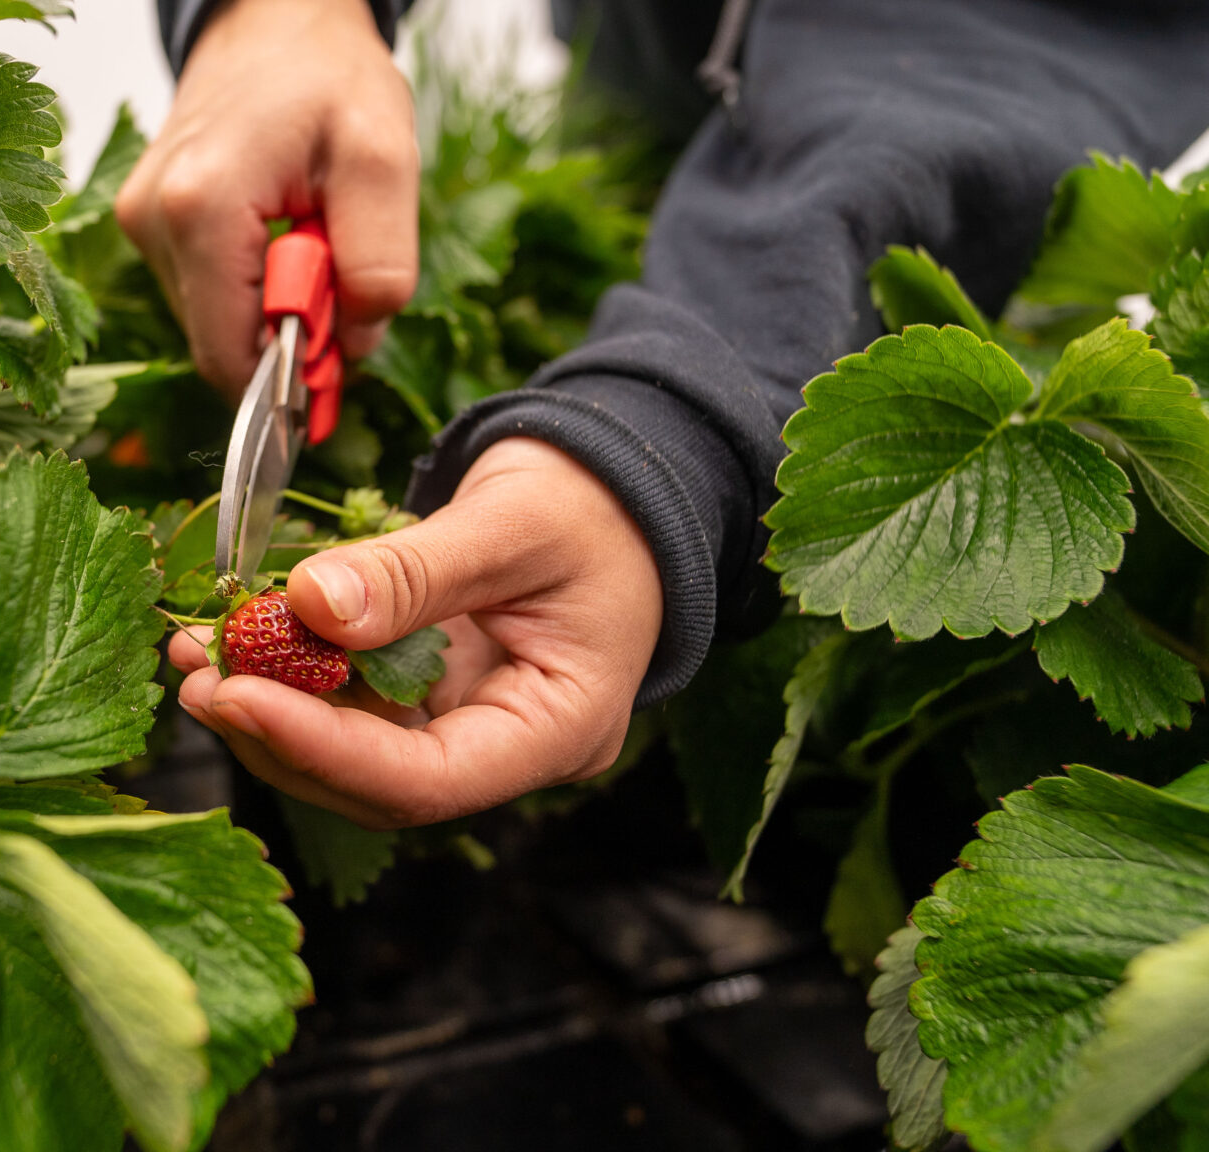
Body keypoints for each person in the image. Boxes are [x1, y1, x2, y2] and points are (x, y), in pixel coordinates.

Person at [118, 0, 1209, 829]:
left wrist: (658, 441)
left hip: (956, 109)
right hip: (649, 41)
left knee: (847, 325)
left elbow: (997, 37)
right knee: (625, 194)